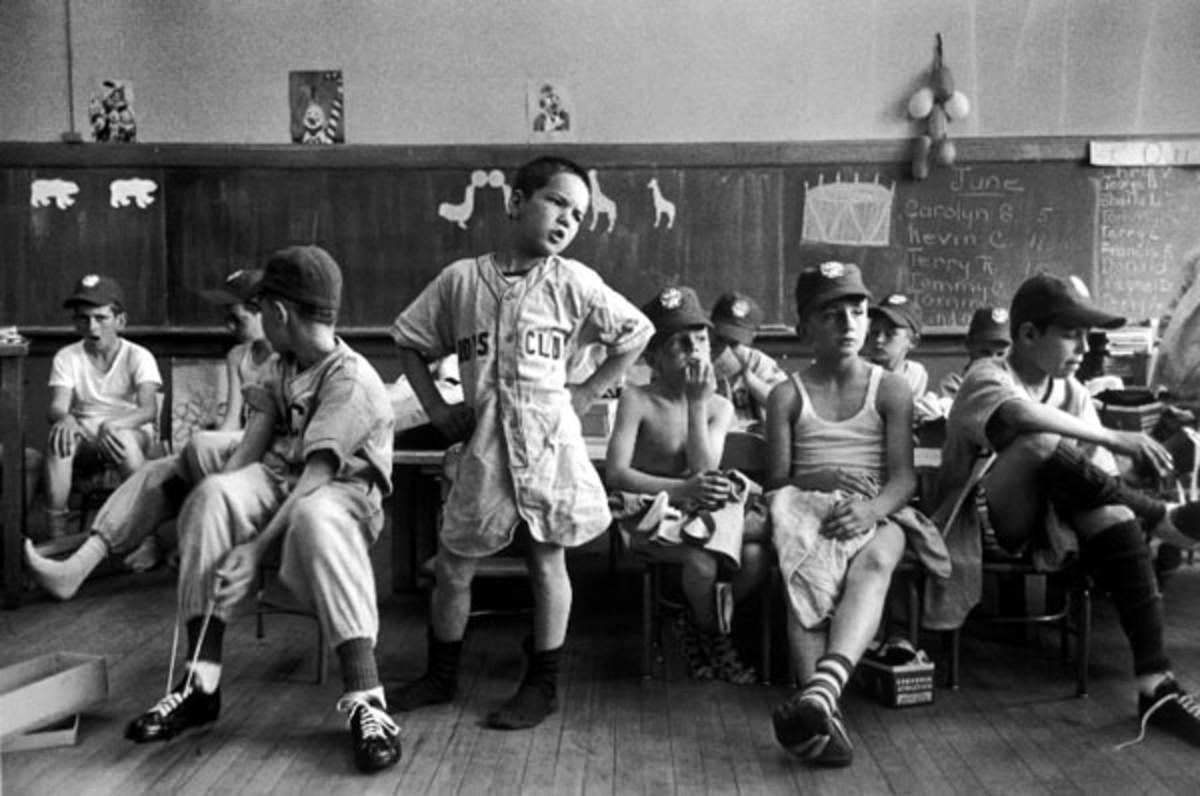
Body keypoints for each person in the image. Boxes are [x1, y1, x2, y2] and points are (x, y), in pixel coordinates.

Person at [388, 155, 652, 730]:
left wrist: (587, 391)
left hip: (547, 446)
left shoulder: (574, 282)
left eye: (578, 215)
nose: (566, 220)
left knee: (546, 560)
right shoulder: (461, 280)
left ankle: (544, 682)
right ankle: (440, 675)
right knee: (455, 565)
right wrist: (435, 406)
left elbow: (636, 333)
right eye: (556, 202)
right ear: (515, 201)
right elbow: (408, 339)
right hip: (483, 446)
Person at [123, 246, 401, 774]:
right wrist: (203, 524)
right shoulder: (281, 365)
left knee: (314, 515)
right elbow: (250, 450)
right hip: (280, 480)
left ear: (278, 313)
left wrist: (252, 550)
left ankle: (369, 701)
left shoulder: (352, 379)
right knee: (214, 495)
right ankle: (200, 684)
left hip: (342, 497)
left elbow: (319, 476)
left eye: (261, 307)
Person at [927, 272, 1200, 749]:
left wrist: (1115, 466)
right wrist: (1116, 436)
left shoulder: (1071, 390)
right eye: (1071, 334)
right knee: (1040, 441)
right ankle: (1160, 520)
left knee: (1112, 515)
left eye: (1086, 336)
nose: (1083, 347)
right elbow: (1018, 418)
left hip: (1055, 527)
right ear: (1028, 335)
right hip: (978, 526)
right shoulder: (987, 375)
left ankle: (1155, 685)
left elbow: (1101, 480)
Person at [766, 262, 948, 767]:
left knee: (876, 560)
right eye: (831, 313)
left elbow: (904, 478)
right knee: (807, 575)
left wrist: (870, 511)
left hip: (875, 509)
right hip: (808, 510)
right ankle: (823, 710)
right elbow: (776, 480)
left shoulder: (890, 388)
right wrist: (817, 479)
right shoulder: (786, 394)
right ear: (805, 328)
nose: (848, 323)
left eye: (857, 311)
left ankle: (820, 697)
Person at [24, 269, 274, 598]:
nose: (228, 327)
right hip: (237, 443)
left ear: (267, 311)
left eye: (236, 319)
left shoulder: (291, 359)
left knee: (195, 447)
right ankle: (74, 568)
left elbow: (274, 433)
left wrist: (207, 447)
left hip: (266, 455)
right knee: (155, 470)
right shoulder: (238, 355)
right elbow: (231, 423)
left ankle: (190, 539)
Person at [606, 286, 766, 683]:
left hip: (700, 513)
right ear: (651, 356)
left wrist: (697, 405)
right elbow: (617, 474)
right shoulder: (637, 400)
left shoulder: (718, 405)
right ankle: (713, 634)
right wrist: (682, 491)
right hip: (649, 513)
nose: (695, 350)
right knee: (700, 560)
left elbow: (704, 466)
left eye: (701, 340)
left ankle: (692, 621)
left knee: (758, 556)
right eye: (680, 343)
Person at [43, 275, 163, 539]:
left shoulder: (138, 356)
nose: (92, 327)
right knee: (59, 439)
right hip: (87, 433)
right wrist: (65, 419)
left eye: (100, 318)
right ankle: (57, 534)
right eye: (83, 318)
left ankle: (146, 536)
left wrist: (116, 424)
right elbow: (58, 406)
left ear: (120, 320)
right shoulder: (67, 356)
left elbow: (148, 410)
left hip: (129, 429)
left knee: (122, 440)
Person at [709, 291, 787, 432]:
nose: (725, 349)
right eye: (719, 339)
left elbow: (786, 406)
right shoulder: (697, 357)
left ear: (751, 339)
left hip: (753, 445)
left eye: (734, 343)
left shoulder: (758, 363)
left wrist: (751, 380)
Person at [863, 292, 942, 425]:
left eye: (890, 334)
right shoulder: (858, 370)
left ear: (913, 342)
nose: (879, 339)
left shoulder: (915, 373)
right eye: (875, 332)